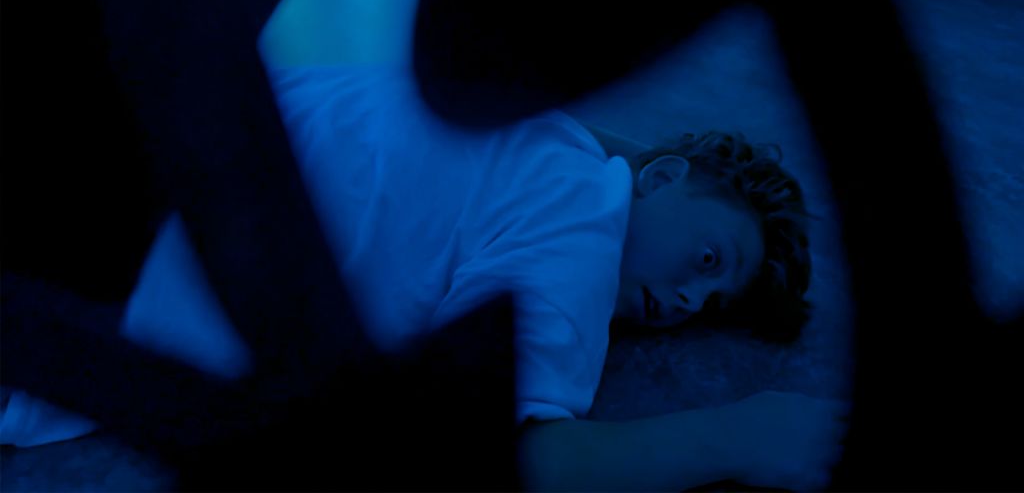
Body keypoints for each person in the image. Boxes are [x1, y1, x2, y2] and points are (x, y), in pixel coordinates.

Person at [0, 64, 847, 491]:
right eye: (710, 260)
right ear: (660, 179)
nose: (688, 300)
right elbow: (517, 451)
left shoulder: (546, 140)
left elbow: (637, 158)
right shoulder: (583, 232)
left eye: (707, 304)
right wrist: (731, 439)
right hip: (134, 258)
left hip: (143, 131)